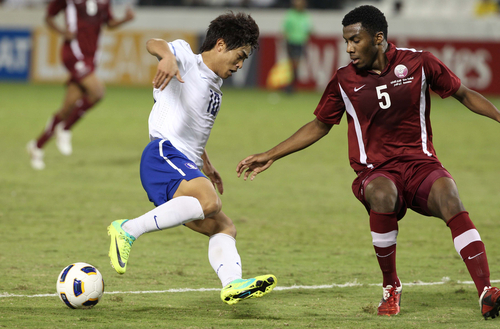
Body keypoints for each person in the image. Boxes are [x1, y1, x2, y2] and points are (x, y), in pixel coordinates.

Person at [236, 5, 500, 318]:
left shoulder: (420, 63)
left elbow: (465, 94)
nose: (348, 48)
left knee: (450, 197)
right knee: (383, 194)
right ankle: (391, 286)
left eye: (354, 40)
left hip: (421, 165)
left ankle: (486, 290)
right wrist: (271, 154)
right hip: (374, 171)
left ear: (378, 38)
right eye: (345, 41)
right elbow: (320, 125)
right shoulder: (344, 80)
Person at [107, 12, 277, 305]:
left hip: (181, 165)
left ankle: (232, 284)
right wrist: (167, 58)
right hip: (161, 156)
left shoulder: (216, 90)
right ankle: (127, 229)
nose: (240, 65)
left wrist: (206, 166)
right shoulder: (187, 59)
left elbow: (193, 131)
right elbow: (154, 42)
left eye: (245, 60)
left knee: (224, 227)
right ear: (221, 45)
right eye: (239, 56)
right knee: (210, 202)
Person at [27, 0, 135, 170]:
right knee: (97, 92)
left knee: (67, 108)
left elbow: (109, 22)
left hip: (91, 57)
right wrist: (62, 32)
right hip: (73, 52)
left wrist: (125, 20)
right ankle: (65, 128)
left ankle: (37, 146)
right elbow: (48, 17)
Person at [282, 0, 312, 93]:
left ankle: (290, 86)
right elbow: (285, 29)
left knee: (295, 65)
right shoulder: (290, 14)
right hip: (291, 42)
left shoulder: (305, 16)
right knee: (293, 65)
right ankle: (290, 86)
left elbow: (309, 30)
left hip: (300, 43)